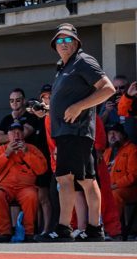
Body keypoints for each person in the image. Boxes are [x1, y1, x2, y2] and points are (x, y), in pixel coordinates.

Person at [44, 23, 116, 241]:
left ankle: (77, 228)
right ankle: (81, 228)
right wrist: (46, 110)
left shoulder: (83, 61)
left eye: (67, 40)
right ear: (55, 45)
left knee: (81, 179)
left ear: (76, 42)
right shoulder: (64, 67)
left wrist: (80, 106)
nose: (63, 44)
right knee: (71, 180)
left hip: (77, 132)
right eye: (59, 40)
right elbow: (66, 100)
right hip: (66, 133)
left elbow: (108, 89)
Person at [0, 121, 48, 242]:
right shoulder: (1, 150)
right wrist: (7, 154)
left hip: (26, 187)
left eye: (19, 132)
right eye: (13, 132)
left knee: (31, 196)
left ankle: (29, 232)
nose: (16, 135)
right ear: (8, 136)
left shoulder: (31, 149)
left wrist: (26, 153)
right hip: (6, 187)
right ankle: (4, 233)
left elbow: (42, 169)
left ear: (23, 135)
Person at [103, 123, 137, 221]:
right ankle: (94, 228)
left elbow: (133, 176)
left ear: (123, 134)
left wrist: (114, 186)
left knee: (115, 194)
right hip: (109, 188)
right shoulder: (107, 151)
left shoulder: (132, 149)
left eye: (116, 132)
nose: (112, 136)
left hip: (129, 189)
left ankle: (114, 231)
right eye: (110, 133)